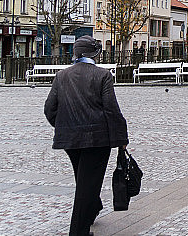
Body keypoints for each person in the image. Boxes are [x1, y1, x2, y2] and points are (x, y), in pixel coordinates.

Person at [44, 36, 128, 236]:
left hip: (71, 139)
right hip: (97, 140)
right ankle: (78, 231)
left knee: (84, 180)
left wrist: (65, 126)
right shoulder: (103, 75)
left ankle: (93, 208)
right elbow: (111, 110)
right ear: (95, 54)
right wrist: (121, 139)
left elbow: (49, 109)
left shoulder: (62, 75)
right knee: (86, 185)